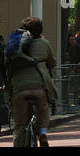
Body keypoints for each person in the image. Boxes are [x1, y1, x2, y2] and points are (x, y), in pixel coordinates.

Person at [7, 17, 57, 147]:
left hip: (19, 89)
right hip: (39, 87)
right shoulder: (44, 43)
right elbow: (52, 63)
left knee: (19, 126)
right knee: (43, 111)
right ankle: (43, 133)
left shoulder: (14, 47)